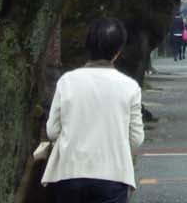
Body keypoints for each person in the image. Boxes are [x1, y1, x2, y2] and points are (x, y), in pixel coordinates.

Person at [41, 17, 143, 203]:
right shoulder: (130, 87)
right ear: (118, 51)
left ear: (88, 46)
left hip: (69, 174)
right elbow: (136, 139)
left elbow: (52, 131)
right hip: (113, 176)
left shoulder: (67, 81)